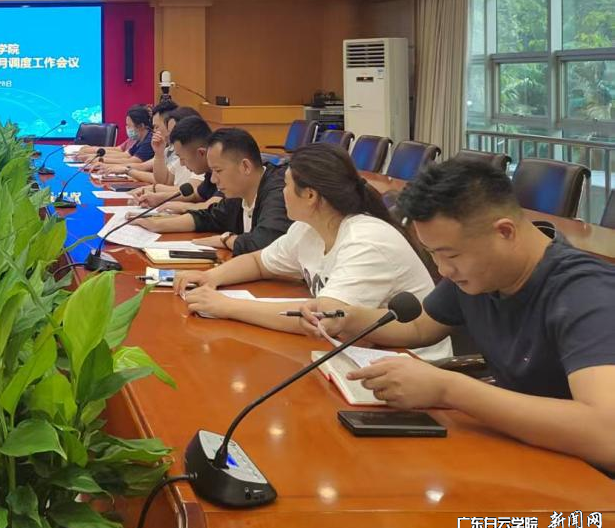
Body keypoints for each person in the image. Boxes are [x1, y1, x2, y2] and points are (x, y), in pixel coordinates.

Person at [299, 159, 615, 472]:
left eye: (450, 255)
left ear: (505, 232)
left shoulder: (585, 293)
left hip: (588, 479)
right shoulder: (481, 273)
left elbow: (607, 434)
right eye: (433, 254)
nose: (443, 270)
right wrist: (349, 317)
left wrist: (449, 389)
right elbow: (420, 327)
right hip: (523, 452)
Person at [178, 144, 451, 359]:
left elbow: (322, 318)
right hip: (358, 353)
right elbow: (259, 262)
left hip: (410, 364)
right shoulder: (308, 228)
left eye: (286, 185)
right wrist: (211, 278)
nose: (280, 192)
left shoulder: (366, 241)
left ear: (310, 196)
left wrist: (226, 306)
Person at [136, 127, 290, 255]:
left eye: (218, 171)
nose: (213, 180)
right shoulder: (240, 192)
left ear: (245, 167)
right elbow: (210, 217)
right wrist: (157, 225)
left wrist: (225, 240)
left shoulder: (280, 191)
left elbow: (265, 243)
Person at [133, 114, 219, 212]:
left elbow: (212, 208)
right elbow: (197, 194)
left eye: (183, 159)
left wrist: (182, 207)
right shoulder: (209, 173)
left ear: (201, 153)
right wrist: (158, 199)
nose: (181, 164)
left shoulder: (221, 172)